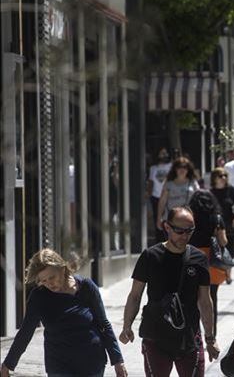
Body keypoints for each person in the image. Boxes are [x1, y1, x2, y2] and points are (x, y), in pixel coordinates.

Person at [119, 207, 219, 377]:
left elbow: (205, 301)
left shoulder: (199, 259)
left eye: (189, 231)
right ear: (167, 227)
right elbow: (135, 295)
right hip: (156, 337)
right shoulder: (150, 256)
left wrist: (210, 339)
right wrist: (127, 326)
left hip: (189, 337)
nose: (184, 236)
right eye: (179, 231)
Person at [1, 249, 126, 377]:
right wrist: (9, 363)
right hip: (59, 365)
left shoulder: (86, 287)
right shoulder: (39, 297)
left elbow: (103, 324)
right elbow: (25, 332)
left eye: (52, 277)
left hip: (91, 362)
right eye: (43, 281)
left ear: (62, 269)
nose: (49, 283)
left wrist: (117, 360)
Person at [187, 190, 228, 337]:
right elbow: (223, 241)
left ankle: (193, 334)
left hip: (192, 258)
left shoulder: (189, 218)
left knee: (192, 298)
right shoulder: (217, 219)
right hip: (211, 260)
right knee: (211, 298)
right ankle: (212, 334)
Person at [211, 167, 234, 282]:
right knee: (218, 249)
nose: (223, 178)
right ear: (214, 178)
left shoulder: (231, 190)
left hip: (230, 224)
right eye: (220, 176)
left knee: (231, 250)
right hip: (217, 225)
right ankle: (226, 275)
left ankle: (227, 272)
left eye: (225, 175)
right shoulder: (210, 192)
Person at [156, 157, 199, 232]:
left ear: (188, 169)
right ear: (175, 169)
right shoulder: (168, 183)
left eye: (185, 167)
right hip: (171, 220)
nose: (182, 169)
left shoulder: (193, 183)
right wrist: (159, 218)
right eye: (179, 167)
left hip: (188, 219)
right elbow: (162, 202)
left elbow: (199, 199)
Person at [147, 147, 173, 238]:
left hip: (168, 196)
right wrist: (148, 194)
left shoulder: (171, 166)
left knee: (169, 218)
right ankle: (159, 239)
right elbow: (151, 182)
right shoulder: (153, 168)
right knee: (157, 219)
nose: (164, 155)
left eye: (166, 153)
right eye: (162, 153)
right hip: (156, 196)